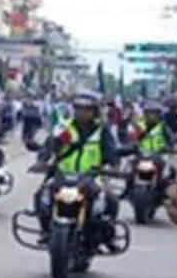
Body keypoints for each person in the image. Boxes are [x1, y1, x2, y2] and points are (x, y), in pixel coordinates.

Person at [30, 91, 121, 225]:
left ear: (95, 111)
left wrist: (112, 167)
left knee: (111, 200)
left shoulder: (102, 131)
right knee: (41, 195)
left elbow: (111, 153)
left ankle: (106, 233)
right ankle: (45, 229)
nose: (82, 113)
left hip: (91, 177)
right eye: (78, 108)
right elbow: (49, 145)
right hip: (62, 175)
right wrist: (41, 161)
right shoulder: (63, 127)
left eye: (87, 109)